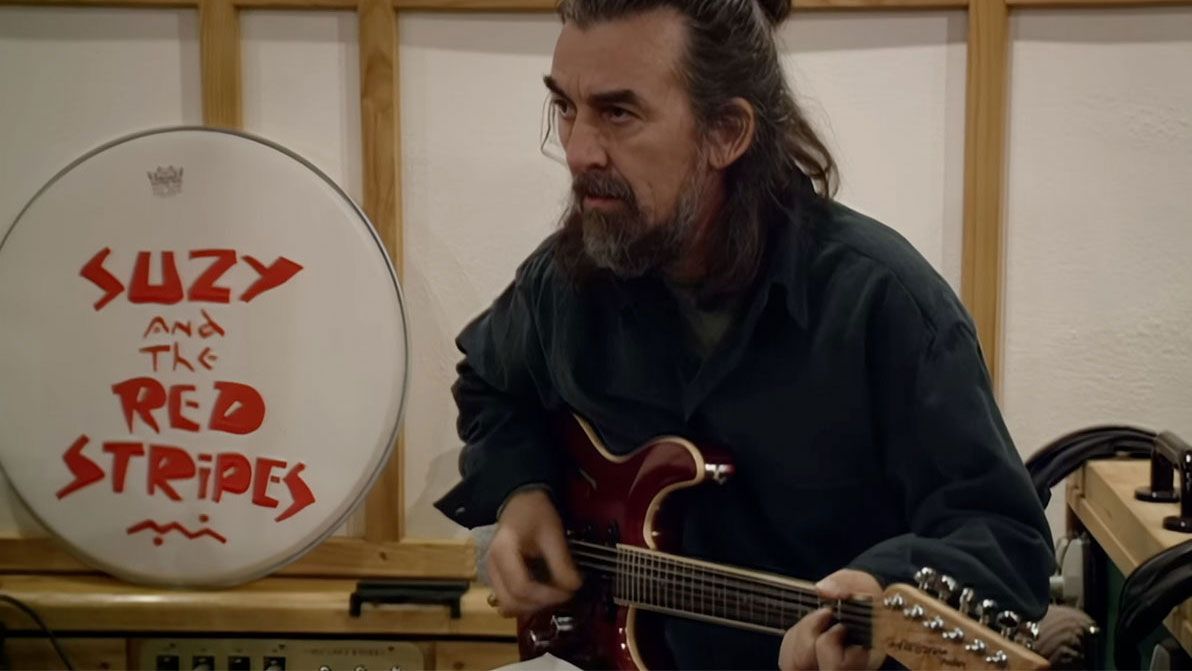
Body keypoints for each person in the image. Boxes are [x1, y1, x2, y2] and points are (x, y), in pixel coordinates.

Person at [434, 1, 1055, 668]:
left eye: (618, 112)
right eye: (566, 108)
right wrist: (521, 490)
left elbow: (1004, 538)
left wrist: (881, 586)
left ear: (726, 132)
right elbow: (491, 385)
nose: (579, 151)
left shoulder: (883, 306)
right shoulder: (569, 279)